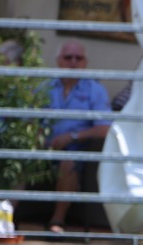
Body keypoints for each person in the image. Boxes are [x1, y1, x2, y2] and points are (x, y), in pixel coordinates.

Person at [44, 40, 111, 234]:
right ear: (58, 61)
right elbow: (31, 119)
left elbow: (106, 128)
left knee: (67, 163)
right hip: (44, 150)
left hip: (77, 152)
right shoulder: (45, 87)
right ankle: (6, 217)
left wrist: (72, 137)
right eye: (68, 57)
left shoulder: (95, 91)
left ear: (85, 62)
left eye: (78, 58)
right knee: (21, 159)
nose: (73, 62)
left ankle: (57, 221)